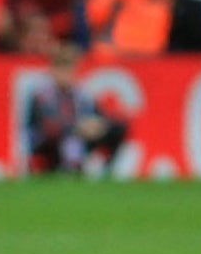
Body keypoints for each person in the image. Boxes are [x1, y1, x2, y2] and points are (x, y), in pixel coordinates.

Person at [25, 46, 131, 176]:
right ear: (53, 69)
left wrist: (98, 124)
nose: (66, 74)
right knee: (66, 139)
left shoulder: (81, 93)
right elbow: (46, 127)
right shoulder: (42, 95)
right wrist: (78, 127)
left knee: (117, 128)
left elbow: (98, 114)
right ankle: (66, 167)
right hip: (49, 143)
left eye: (70, 68)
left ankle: (107, 170)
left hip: (80, 136)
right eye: (62, 68)